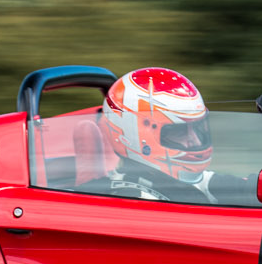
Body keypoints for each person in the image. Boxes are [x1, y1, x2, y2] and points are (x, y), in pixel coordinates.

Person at [99, 67, 253, 204]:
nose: (194, 140)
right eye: (179, 132)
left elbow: (246, 188)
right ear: (135, 135)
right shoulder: (132, 201)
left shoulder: (187, 182)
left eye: (198, 128)